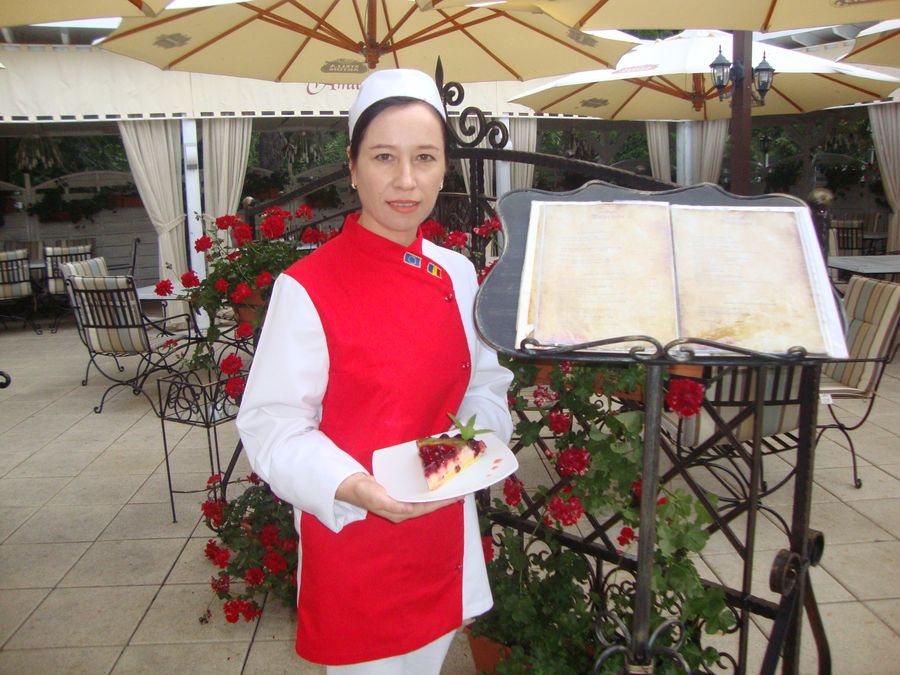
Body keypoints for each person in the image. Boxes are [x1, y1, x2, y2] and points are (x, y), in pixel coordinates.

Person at [236, 68, 514, 674]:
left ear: (445, 168)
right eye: (384, 157)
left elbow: (484, 385)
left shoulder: (456, 273)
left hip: (441, 535)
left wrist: (467, 450)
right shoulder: (307, 287)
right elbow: (272, 426)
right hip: (357, 543)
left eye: (425, 157)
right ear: (353, 165)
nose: (406, 180)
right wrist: (353, 485)